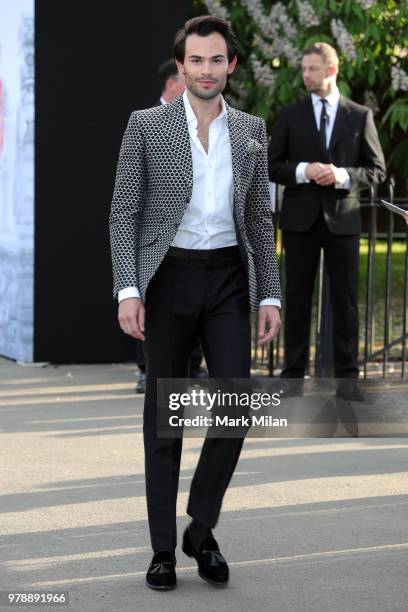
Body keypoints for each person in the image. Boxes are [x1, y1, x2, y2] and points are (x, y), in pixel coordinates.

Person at [109, 15, 281, 591]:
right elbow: (123, 214)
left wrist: (270, 293)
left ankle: (200, 528)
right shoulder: (147, 126)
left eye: (217, 60)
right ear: (180, 66)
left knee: (237, 403)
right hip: (170, 278)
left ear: (231, 65)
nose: (206, 70)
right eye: (196, 60)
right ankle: (163, 549)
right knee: (167, 417)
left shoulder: (253, 130)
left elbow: (258, 220)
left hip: (230, 279)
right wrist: (128, 289)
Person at [268, 42, 386, 381]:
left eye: (312, 69)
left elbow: (377, 170)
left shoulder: (360, 115)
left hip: (342, 222)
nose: (306, 75)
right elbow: (272, 166)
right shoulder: (290, 115)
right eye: (303, 69)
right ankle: (292, 377)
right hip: (299, 223)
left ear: (331, 70)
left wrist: (342, 175)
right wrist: (304, 170)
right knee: (298, 300)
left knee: (346, 303)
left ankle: (347, 377)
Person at [135, 60, 205, 393]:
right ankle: (149, 369)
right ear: (173, 83)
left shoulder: (203, 121)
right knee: (154, 305)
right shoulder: (145, 122)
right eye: (186, 77)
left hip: (197, 238)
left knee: (192, 306)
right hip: (158, 236)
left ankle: (191, 367)